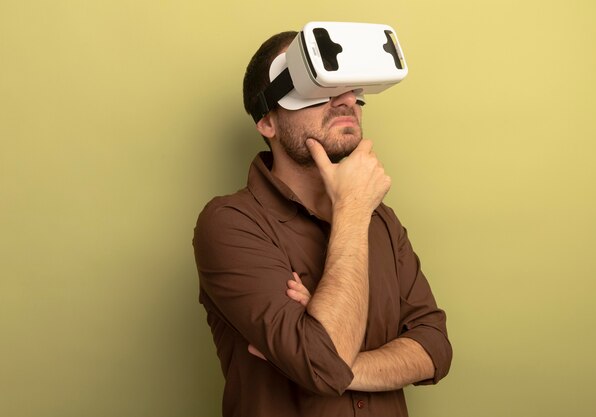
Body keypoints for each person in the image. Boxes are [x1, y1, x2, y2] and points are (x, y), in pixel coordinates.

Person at [193, 30, 452, 417]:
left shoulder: (381, 220)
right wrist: (352, 210)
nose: (347, 100)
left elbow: (435, 347)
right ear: (267, 121)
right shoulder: (230, 224)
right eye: (318, 86)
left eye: (351, 88)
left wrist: (340, 365)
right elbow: (321, 361)